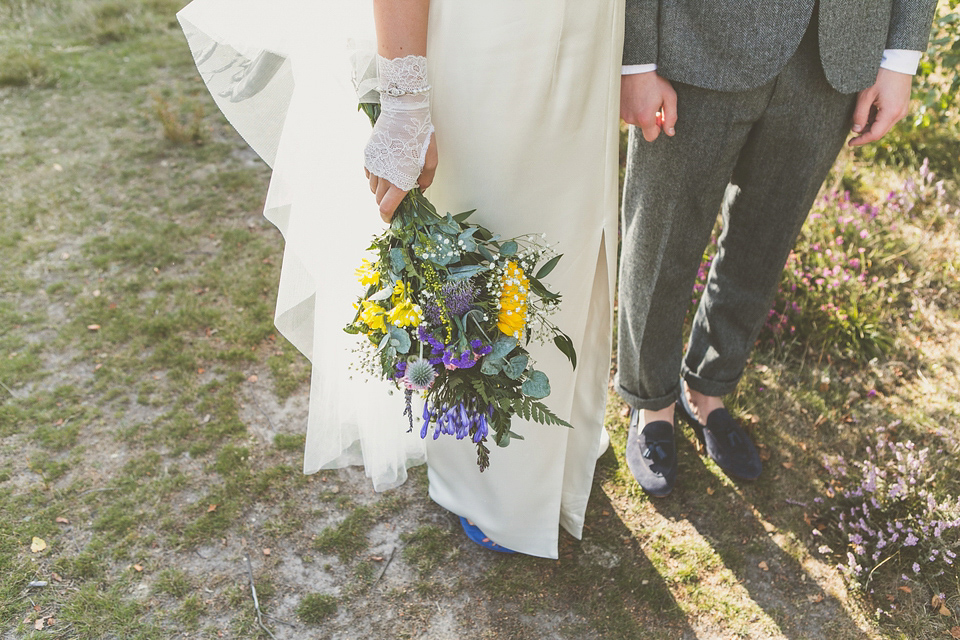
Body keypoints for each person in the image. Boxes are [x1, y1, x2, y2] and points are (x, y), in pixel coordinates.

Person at [179, 0, 624, 557]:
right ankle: (492, 485)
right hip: (494, 44)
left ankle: (562, 447)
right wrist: (406, 102)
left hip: (590, 40)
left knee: (573, 230)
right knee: (496, 240)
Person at [616, 0, 938, 497]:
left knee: (766, 239)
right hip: (699, 38)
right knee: (663, 233)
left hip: (839, 53)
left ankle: (707, 387)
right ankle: (650, 400)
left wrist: (900, 60)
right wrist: (636, 62)